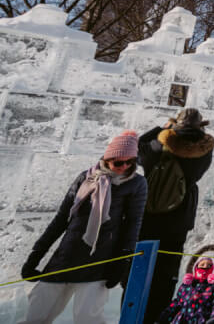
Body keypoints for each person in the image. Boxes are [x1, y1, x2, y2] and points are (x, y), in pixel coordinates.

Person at [19, 130, 147, 324]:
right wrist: (36, 255)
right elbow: (62, 218)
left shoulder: (136, 183)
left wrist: (123, 262)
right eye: (119, 162)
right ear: (107, 157)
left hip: (100, 259)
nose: (125, 167)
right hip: (66, 255)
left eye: (130, 162)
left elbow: (133, 224)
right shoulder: (86, 178)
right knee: (38, 312)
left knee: (87, 317)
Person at [134, 108, 214, 323]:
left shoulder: (159, 145)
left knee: (139, 272)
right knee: (166, 273)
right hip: (179, 220)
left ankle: (135, 315)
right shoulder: (204, 151)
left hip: (148, 217)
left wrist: (162, 129)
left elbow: (137, 147)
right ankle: (159, 316)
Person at [155, 244, 214, 323]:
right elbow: (176, 304)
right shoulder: (186, 286)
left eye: (209, 265)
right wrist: (163, 318)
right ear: (195, 267)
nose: (205, 267)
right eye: (202, 264)